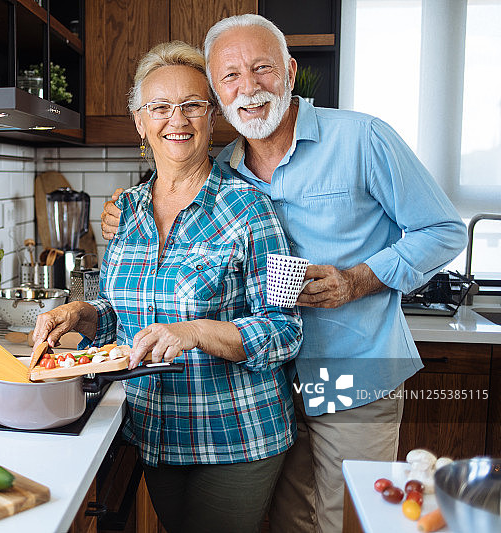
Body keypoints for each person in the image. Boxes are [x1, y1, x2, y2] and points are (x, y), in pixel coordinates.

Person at [100, 14, 467, 533]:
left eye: (262, 69)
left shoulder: (361, 139)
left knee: (347, 521)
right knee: (292, 523)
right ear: (217, 94)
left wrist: (359, 279)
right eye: (230, 76)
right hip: (270, 383)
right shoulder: (225, 166)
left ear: (290, 71)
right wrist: (122, 214)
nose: (248, 88)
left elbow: (444, 230)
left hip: (351, 369)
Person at [33, 41, 302, 533]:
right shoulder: (128, 210)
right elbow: (119, 313)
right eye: (159, 107)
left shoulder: (252, 209)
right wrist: (81, 314)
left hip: (235, 435)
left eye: (191, 105)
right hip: (154, 433)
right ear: (140, 121)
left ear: (211, 116)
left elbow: (285, 330)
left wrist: (195, 331)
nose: (175, 119)